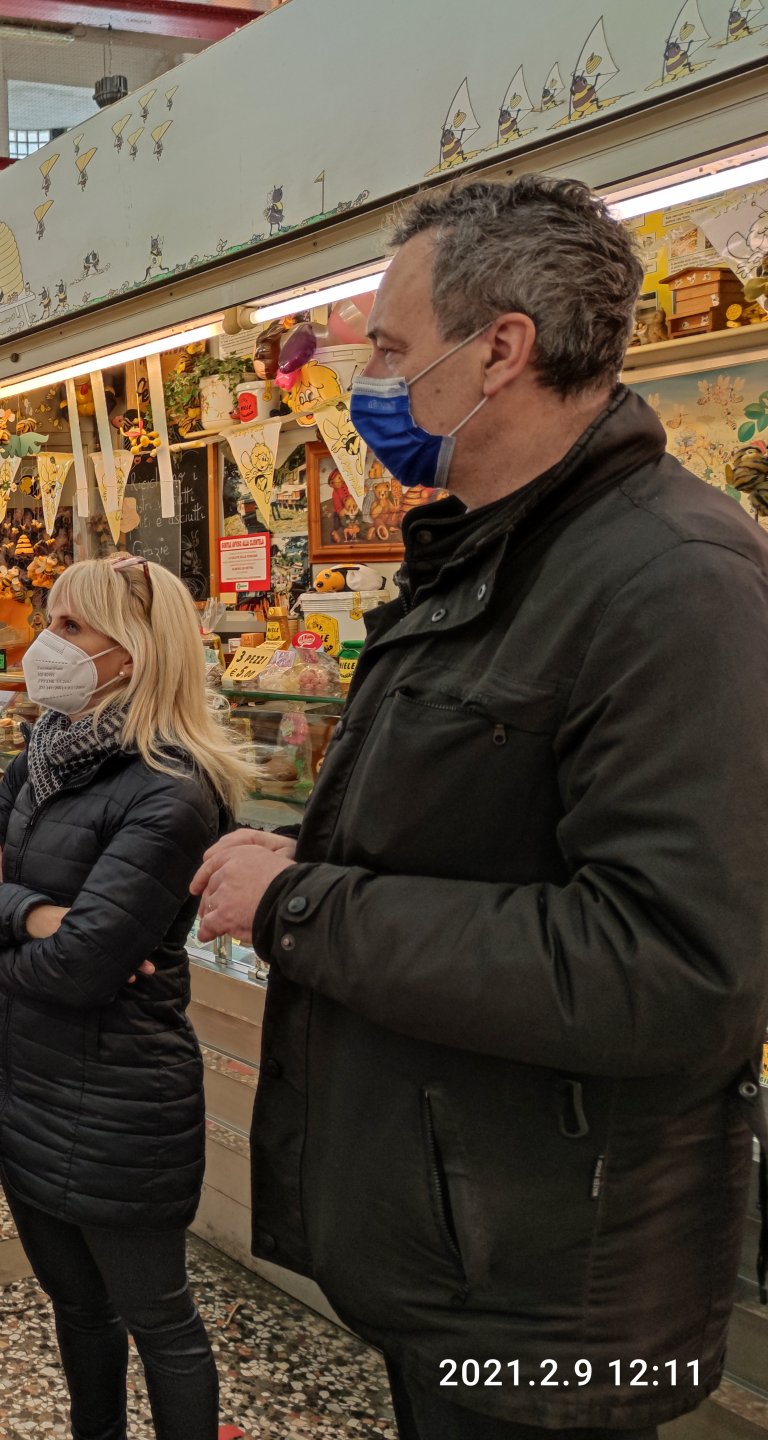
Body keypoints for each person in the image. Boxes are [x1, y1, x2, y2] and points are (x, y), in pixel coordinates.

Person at [192, 175, 768, 1439]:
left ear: (501, 349)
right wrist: (312, 850)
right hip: (467, 1245)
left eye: (393, 350)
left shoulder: (671, 579)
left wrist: (302, 904)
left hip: (559, 1295)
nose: (371, 384)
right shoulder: (497, 550)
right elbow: (482, 834)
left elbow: (672, 965)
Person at [0, 557, 247, 1440]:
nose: (44, 645)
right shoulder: (46, 755)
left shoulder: (172, 791)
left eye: (70, 628)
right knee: (76, 1307)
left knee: (161, 1322)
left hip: (119, 1102)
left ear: (135, 650)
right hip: (25, 1080)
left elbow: (80, 968)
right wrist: (32, 918)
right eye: (48, 620)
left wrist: (3, 931)